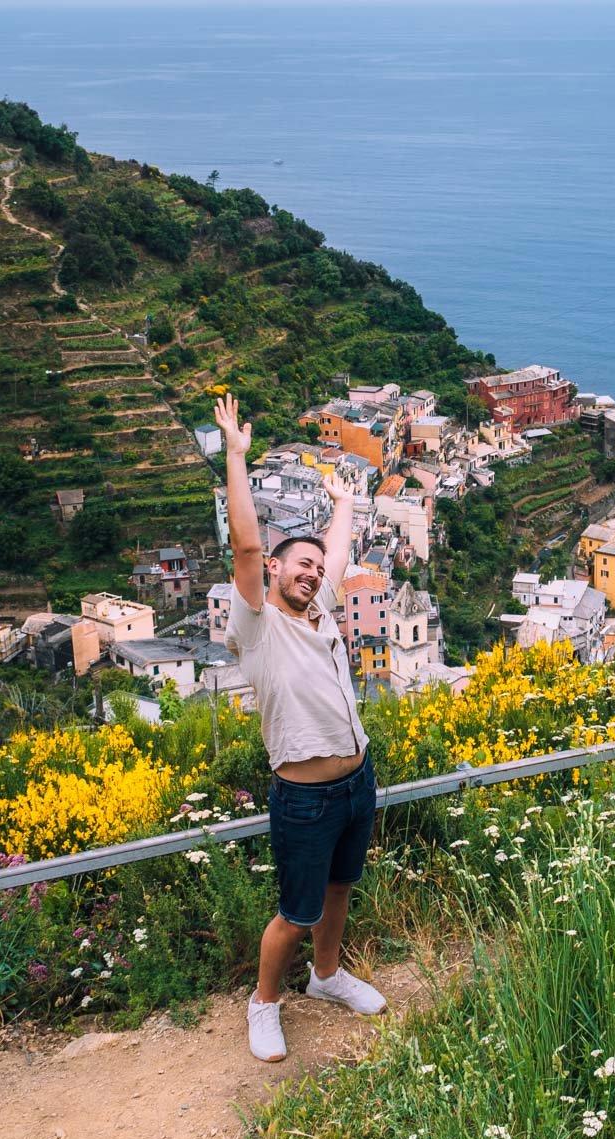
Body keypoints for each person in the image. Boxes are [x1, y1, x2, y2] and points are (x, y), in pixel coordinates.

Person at [215, 393, 386, 1062]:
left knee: (340, 890)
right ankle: (264, 1003)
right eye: (299, 564)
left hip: (355, 780)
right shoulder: (259, 625)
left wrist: (343, 500)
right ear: (273, 573)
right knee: (296, 910)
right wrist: (235, 454)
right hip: (305, 795)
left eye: (316, 568)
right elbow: (247, 542)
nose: (312, 572)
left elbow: (337, 554)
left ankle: (327, 975)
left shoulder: (322, 611)